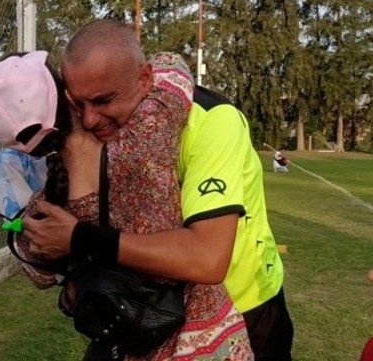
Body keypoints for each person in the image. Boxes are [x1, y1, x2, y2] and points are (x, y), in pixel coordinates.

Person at [21, 19, 293, 361]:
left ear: (146, 79)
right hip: (153, 314)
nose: (90, 120)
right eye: (79, 104)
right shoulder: (103, 127)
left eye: (104, 101)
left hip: (247, 304)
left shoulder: (212, 120)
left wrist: (80, 238)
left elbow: (207, 258)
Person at [0, 51, 253, 360]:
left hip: (129, 344)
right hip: (205, 339)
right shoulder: (146, 133)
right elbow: (172, 64)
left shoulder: (45, 206)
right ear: (68, 97)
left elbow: (39, 272)